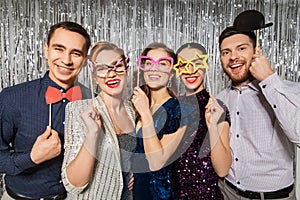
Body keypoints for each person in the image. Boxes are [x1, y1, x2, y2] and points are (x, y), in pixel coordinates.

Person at [0, 21, 91, 199]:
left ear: (85, 60)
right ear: (46, 50)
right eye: (59, 49)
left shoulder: (93, 101)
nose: (66, 60)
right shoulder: (12, 97)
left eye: (76, 53)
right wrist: (32, 157)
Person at [217, 26, 300, 200]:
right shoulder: (220, 99)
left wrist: (269, 78)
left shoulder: (287, 90)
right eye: (226, 52)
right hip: (228, 192)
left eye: (241, 48)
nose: (233, 57)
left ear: (256, 52)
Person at [61, 41, 136, 200]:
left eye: (118, 66)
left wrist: (134, 174)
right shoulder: (78, 109)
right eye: (102, 69)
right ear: (94, 76)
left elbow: (130, 156)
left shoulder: (133, 110)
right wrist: (93, 133)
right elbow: (73, 183)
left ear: (126, 70)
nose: (111, 74)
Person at [171, 42, 231, 200]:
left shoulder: (217, 108)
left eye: (197, 63)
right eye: (184, 64)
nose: (190, 70)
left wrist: (212, 127)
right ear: (177, 69)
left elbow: (223, 170)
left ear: (206, 65)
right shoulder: (172, 108)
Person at [131, 42, 184, 200]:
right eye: (149, 63)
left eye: (162, 63)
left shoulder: (179, 110)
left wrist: (146, 114)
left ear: (172, 72)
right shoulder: (136, 103)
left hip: (160, 194)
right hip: (137, 191)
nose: (154, 68)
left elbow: (156, 162)